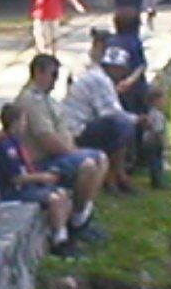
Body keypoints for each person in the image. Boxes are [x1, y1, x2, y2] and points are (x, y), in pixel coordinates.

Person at [14, 54, 107, 237]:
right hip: (41, 162)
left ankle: (82, 214)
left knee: (100, 159)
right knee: (88, 165)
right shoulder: (31, 101)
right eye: (53, 75)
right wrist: (73, 153)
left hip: (58, 156)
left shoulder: (48, 100)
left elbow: (64, 132)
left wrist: (72, 150)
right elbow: (47, 140)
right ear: (38, 73)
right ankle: (77, 222)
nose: (55, 81)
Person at [0, 103, 74, 251]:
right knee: (54, 199)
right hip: (13, 191)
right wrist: (41, 178)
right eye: (23, 121)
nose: (25, 125)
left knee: (62, 193)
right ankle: (59, 240)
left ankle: (63, 231)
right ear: (15, 123)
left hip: (26, 185)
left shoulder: (16, 142)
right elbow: (15, 178)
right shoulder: (7, 147)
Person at [64, 41, 143, 193]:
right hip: (77, 131)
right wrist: (138, 119)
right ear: (114, 68)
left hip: (82, 125)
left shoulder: (100, 78)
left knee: (122, 125)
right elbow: (109, 113)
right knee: (122, 126)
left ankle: (119, 174)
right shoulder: (100, 80)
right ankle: (113, 177)